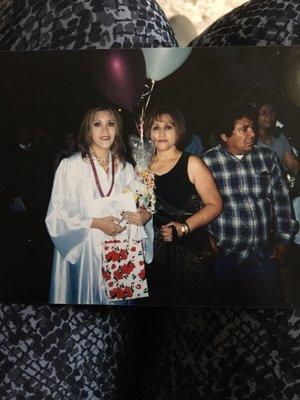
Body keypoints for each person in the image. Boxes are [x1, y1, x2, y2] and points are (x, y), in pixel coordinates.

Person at [45, 105, 152, 304]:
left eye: (110, 124)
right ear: (88, 131)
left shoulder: (127, 168)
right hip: (86, 248)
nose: (105, 130)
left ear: (117, 130)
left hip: (121, 250)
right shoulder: (71, 166)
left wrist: (145, 214)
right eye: (97, 124)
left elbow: (139, 205)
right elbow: (58, 214)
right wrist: (96, 222)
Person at [202, 109, 297, 307]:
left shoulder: (267, 157)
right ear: (224, 136)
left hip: (262, 251)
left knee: (273, 308)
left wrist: (284, 239)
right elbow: (197, 204)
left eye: (252, 127)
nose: (252, 134)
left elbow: (281, 200)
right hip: (224, 255)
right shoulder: (207, 162)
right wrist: (205, 236)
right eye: (243, 130)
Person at [145, 105, 222, 305]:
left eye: (168, 127)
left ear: (178, 132)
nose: (161, 132)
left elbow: (215, 204)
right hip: (153, 251)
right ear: (148, 133)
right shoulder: (142, 165)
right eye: (155, 127)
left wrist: (184, 227)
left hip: (189, 249)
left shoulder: (192, 163)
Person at [257, 103, 300, 176]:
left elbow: (292, 164)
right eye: (264, 113)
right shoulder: (250, 139)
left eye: (271, 113)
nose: (269, 117)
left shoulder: (279, 136)